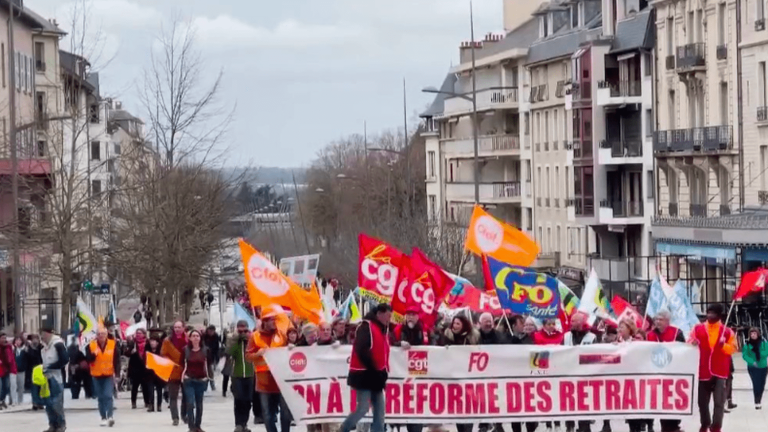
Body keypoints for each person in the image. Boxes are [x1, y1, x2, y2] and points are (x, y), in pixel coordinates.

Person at [340, 303, 394, 432]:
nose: (389, 320)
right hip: (364, 375)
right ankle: (343, 429)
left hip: (377, 375)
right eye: (387, 316)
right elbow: (361, 350)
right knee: (363, 408)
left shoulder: (382, 329)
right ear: (379, 314)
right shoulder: (366, 327)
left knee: (380, 412)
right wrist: (375, 369)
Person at [689, 304, 736, 432]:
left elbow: (733, 349)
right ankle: (705, 423)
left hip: (720, 371)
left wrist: (723, 345)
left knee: (719, 402)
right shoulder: (697, 329)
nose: (710, 315)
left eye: (713, 313)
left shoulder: (727, 331)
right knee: (702, 403)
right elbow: (689, 342)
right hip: (702, 371)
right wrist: (692, 343)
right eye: (708, 313)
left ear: (719, 315)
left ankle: (716, 426)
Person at [245, 308, 291, 432]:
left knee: (286, 413)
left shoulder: (281, 334)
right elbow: (248, 357)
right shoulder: (255, 337)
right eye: (271, 320)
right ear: (264, 321)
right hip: (264, 381)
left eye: (275, 320)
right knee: (267, 413)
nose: (274, 322)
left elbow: (290, 349)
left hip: (281, 380)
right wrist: (258, 354)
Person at [646, 311, 685, 432]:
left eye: (661, 319)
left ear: (667, 321)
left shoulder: (676, 333)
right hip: (657, 375)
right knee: (662, 402)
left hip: (673, 374)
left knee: (672, 401)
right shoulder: (650, 335)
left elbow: (683, 350)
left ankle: (673, 426)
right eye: (656, 319)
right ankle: (666, 426)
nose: (657, 322)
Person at [440, 315, 479, 432]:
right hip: (453, 379)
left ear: (464, 325)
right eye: (454, 323)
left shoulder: (473, 338)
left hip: (469, 379)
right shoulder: (446, 337)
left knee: (468, 408)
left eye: (458, 324)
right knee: (457, 408)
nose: (455, 326)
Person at [561, 314, 594, 432]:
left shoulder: (592, 337)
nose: (571, 323)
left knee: (583, 405)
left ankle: (584, 427)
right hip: (568, 376)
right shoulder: (566, 337)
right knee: (569, 404)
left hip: (585, 378)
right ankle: (569, 426)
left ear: (581, 322)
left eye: (574, 321)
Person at [86, 326, 120, 427]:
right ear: (96, 335)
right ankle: (103, 417)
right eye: (99, 334)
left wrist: (117, 373)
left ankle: (110, 416)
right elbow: (88, 359)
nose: (101, 336)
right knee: (100, 397)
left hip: (108, 374)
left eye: (103, 334)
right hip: (96, 374)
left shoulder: (112, 344)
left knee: (108, 395)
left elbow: (116, 360)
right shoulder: (91, 345)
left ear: (106, 335)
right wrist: (93, 355)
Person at [182, 329, 213, 432]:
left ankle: (198, 426)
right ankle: (191, 427)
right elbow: (181, 364)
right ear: (190, 338)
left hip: (201, 380)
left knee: (199, 404)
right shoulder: (185, 350)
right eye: (193, 336)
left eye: (197, 336)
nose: (195, 338)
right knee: (190, 403)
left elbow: (209, 365)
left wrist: (208, 378)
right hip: (189, 380)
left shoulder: (205, 350)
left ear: (200, 338)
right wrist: (183, 376)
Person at [228, 320, 255, 432]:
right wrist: (237, 340)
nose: (243, 332)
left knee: (248, 400)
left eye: (245, 329)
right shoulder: (232, 339)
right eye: (240, 329)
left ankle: (244, 423)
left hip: (249, 374)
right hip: (237, 374)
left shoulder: (252, 339)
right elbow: (230, 352)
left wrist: (249, 339)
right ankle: (238, 424)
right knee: (238, 399)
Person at [40, 327, 69, 432]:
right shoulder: (44, 347)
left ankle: (61, 425)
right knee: (48, 404)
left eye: (43, 334)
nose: (41, 337)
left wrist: (51, 367)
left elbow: (65, 359)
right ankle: (53, 425)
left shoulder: (58, 344)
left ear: (48, 334)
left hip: (56, 378)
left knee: (56, 403)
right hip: (46, 377)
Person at [162, 320, 189, 426]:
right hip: (173, 371)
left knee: (186, 396)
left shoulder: (188, 340)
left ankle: (184, 415)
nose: (177, 329)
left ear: (183, 328)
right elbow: (163, 354)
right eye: (175, 327)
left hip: (185, 371)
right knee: (173, 396)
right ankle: (175, 418)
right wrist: (170, 361)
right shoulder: (167, 341)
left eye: (179, 327)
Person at [742, 327, 768, 409]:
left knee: (762, 384)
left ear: (758, 334)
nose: (753, 335)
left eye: (754, 334)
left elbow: (766, 352)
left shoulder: (763, 342)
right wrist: (752, 362)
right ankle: (757, 401)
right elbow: (745, 355)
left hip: (763, 366)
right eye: (751, 334)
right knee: (755, 383)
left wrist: (759, 354)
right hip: (752, 367)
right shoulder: (747, 344)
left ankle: (759, 397)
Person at [125, 329, 151, 410]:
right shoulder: (132, 343)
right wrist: (131, 352)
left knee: (145, 386)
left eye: (140, 333)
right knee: (134, 387)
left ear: (144, 334)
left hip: (145, 367)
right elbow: (126, 352)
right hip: (135, 367)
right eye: (137, 333)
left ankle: (147, 402)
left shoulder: (148, 343)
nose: (138, 335)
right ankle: (133, 402)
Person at [147, 336, 165, 412]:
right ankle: (151, 405)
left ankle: (159, 405)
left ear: (157, 343)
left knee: (159, 390)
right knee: (150, 390)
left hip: (158, 373)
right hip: (149, 373)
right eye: (151, 341)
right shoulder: (147, 351)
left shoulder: (161, 351)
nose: (152, 343)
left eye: (154, 341)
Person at [0, 332, 17, 410]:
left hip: (6, 369)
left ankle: (2, 400)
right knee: (0, 387)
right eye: (2, 338)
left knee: (6, 387)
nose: (4, 340)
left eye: (5, 338)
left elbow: (10, 358)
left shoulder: (8, 347)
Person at [203, 326, 220, 392]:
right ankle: (206, 386)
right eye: (210, 331)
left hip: (211, 357)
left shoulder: (215, 336)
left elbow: (216, 347)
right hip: (204, 356)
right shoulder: (204, 336)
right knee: (205, 372)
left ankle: (211, 385)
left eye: (212, 331)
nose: (211, 332)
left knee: (210, 372)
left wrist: (216, 358)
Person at [13, 336, 27, 405]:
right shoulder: (13, 350)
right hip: (14, 371)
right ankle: (13, 401)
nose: (18, 342)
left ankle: (20, 401)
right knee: (13, 386)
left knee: (21, 386)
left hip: (21, 370)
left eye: (19, 340)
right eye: (16, 340)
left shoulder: (24, 350)